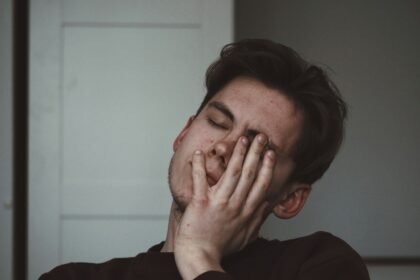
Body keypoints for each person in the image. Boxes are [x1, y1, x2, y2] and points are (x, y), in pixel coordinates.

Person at [40, 39, 370, 280]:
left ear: (290, 199)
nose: (223, 147)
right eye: (217, 123)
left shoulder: (322, 264)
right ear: (183, 135)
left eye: (255, 146)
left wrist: (199, 256)